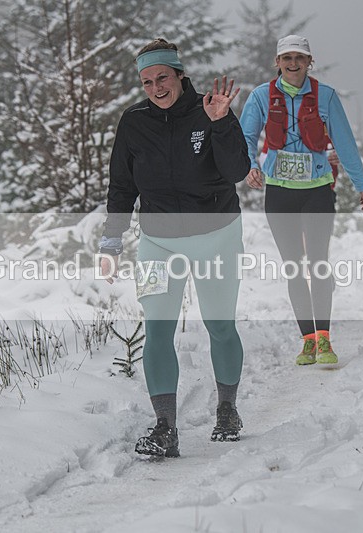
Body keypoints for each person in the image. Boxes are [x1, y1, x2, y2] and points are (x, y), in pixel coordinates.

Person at [98, 38, 251, 457]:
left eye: (162, 77)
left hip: (217, 233)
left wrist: (220, 123)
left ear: (179, 74)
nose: (155, 87)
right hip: (157, 241)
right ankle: (165, 427)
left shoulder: (211, 106)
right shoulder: (133, 122)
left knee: (219, 325)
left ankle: (227, 410)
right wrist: (111, 241)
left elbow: (238, 169)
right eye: (146, 81)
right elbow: (122, 185)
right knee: (157, 332)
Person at [240, 35, 363, 366]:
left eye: (300, 57)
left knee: (318, 262)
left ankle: (325, 338)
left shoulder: (325, 96)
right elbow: (245, 136)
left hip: (317, 189)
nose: (293, 63)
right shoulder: (260, 96)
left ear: (309, 62)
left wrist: (361, 184)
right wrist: (250, 166)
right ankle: (308, 342)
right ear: (278, 62)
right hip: (280, 191)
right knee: (293, 267)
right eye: (287, 58)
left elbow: (344, 141)